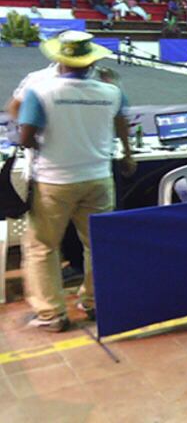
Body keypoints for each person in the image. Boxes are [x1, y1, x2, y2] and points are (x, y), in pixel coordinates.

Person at [17, 31, 135, 331]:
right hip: (98, 178)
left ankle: (52, 314)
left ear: (60, 58)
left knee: (43, 247)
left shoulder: (40, 91)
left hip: (53, 181)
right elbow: (121, 125)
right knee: (97, 244)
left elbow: (26, 138)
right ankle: (94, 302)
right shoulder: (111, 92)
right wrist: (127, 154)